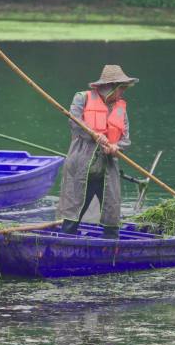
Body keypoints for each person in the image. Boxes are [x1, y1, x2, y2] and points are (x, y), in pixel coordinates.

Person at [57, 65, 137, 238]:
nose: (122, 92)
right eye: (121, 88)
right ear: (111, 87)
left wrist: (117, 147)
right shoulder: (82, 98)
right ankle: (64, 245)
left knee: (112, 217)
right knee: (72, 217)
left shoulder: (120, 107)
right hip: (81, 168)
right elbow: (74, 122)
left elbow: (126, 138)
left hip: (107, 170)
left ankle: (112, 250)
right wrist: (94, 135)